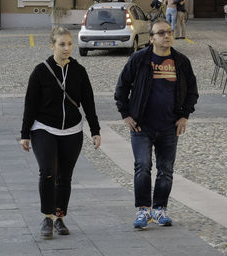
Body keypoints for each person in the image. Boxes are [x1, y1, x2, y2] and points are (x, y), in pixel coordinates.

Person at [114, 19, 198, 229]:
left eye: (169, 32)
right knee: (142, 167)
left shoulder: (181, 62)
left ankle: (159, 210)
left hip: (169, 126)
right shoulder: (139, 59)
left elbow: (192, 92)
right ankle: (143, 210)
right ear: (151, 38)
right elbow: (121, 88)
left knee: (165, 170)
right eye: (160, 33)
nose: (166, 36)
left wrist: (184, 116)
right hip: (142, 126)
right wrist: (126, 114)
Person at [20, 27, 101, 238]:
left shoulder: (79, 71)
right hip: (44, 128)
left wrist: (95, 130)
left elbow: (89, 102)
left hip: (72, 130)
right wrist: (24, 134)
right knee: (48, 171)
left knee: (65, 177)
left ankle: (59, 218)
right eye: (62, 44)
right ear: (52, 46)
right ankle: (47, 217)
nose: (67, 48)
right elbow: (30, 104)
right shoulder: (40, 71)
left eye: (69, 44)